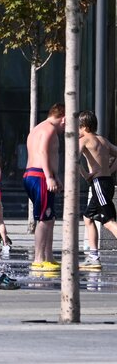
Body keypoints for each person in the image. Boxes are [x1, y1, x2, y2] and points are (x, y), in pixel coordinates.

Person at [24, 103, 65, 270]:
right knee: (44, 218)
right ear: (64, 119)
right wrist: (49, 177)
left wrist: (56, 177)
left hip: (32, 175)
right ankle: (39, 259)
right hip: (40, 176)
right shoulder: (49, 130)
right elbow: (42, 152)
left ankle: (48, 256)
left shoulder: (37, 129)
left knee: (49, 218)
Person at [78, 110, 117, 268]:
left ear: (85, 127)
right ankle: (94, 257)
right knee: (88, 218)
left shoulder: (85, 140)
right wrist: (110, 169)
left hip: (99, 184)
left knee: (108, 222)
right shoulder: (103, 141)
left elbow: (73, 159)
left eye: (79, 127)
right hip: (107, 182)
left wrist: (86, 175)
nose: (78, 131)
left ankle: (94, 257)